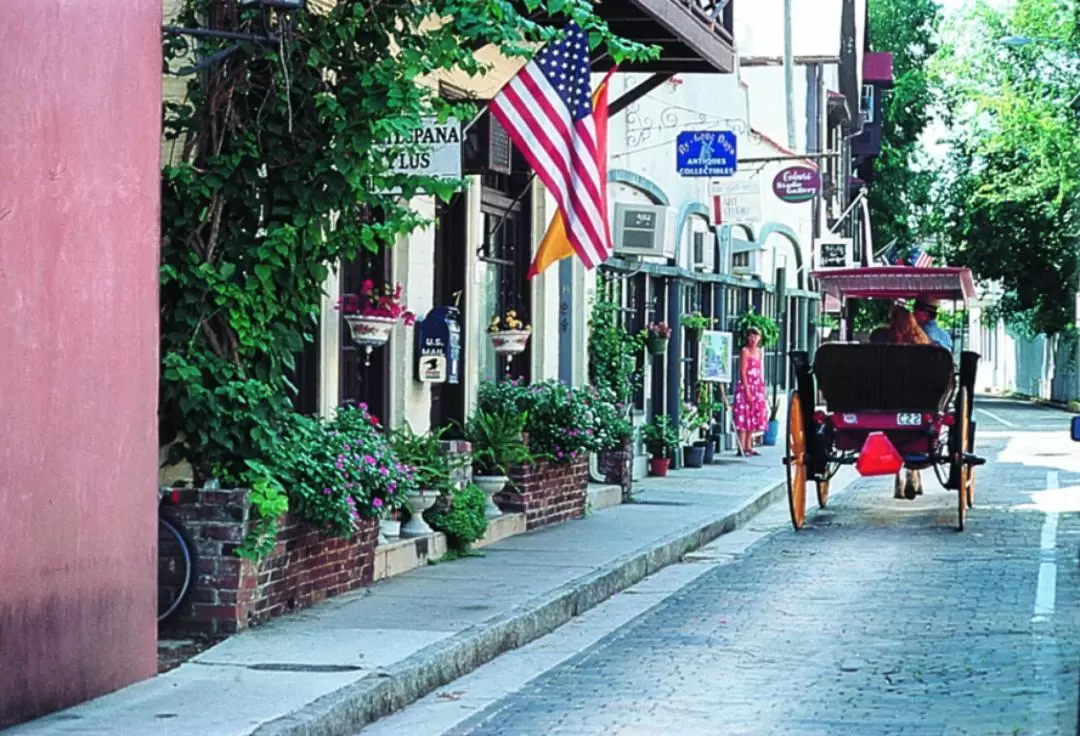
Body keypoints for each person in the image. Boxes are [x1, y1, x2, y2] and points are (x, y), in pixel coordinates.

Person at [733, 326, 767, 457]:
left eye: (756, 336)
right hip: (746, 385)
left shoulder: (759, 352)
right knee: (743, 415)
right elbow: (743, 371)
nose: (753, 339)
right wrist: (747, 389)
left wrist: (761, 389)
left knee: (753, 415)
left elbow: (759, 371)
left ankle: (749, 445)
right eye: (751, 336)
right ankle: (741, 446)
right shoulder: (745, 351)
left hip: (757, 385)